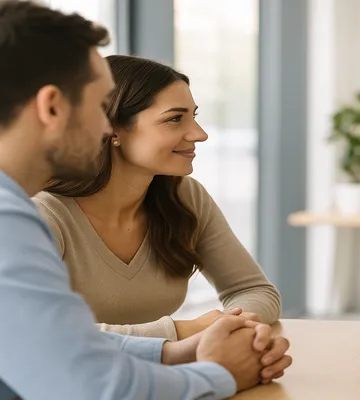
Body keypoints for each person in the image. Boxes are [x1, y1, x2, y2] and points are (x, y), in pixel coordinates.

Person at [0, 1, 290, 399]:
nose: (105, 126)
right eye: (98, 106)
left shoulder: (12, 209)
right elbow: (95, 387)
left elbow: (58, 343)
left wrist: (176, 351)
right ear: (52, 107)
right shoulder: (12, 218)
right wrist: (220, 373)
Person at [32, 54, 281, 341]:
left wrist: (227, 325)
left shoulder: (186, 196)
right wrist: (183, 331)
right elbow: (37, 332)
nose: (199, 134)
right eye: (174, 119)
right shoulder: (41, 215)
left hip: (160, 366)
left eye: (193, 117)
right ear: (110, 129)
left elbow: (253, 290)